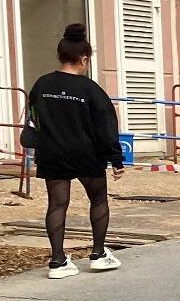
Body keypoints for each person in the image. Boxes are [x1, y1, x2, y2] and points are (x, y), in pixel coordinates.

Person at [21, 23, 123, 278]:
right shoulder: (91, 90)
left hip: (53, 153)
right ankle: (98, 254)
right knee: (98, 200)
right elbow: (106, 126)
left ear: (61, 55)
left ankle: (57, 261)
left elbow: (33, 119)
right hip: (87, 154)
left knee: (57, 205)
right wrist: (115, 158)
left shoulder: (41, 85)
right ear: (84, 58)